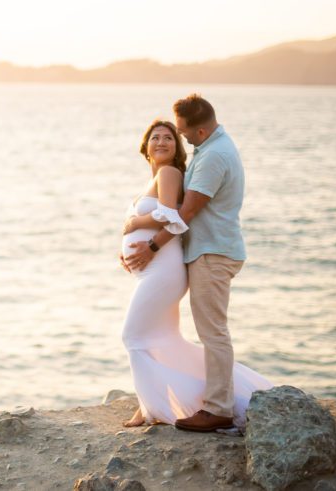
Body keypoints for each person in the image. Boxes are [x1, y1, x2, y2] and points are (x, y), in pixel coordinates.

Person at [120, 107, 271, 430]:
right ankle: (153, 402)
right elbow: (172, 215)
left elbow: (176, 216)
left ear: (192, 134)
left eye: (174, 135)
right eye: (156, 137)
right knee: (162, 338)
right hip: (167, 264)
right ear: (145, 146)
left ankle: (214, 407)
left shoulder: (187, 166)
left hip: (197, 258)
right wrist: (133, 246)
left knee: (136, 335)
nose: (172, 139)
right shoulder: (197, 158)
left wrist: (139, 229)